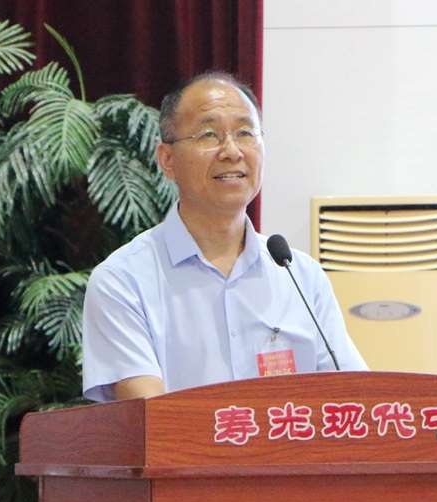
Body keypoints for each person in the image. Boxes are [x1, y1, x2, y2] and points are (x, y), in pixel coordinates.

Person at [82, 71, 367, 401]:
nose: (232, 151)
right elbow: (150, 418)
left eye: (245, 133)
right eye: (209, 135)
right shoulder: (123, 281)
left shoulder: (301, 277)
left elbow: (355, 401)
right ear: (167, 160)